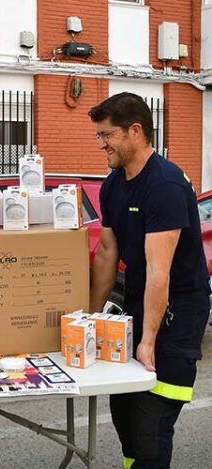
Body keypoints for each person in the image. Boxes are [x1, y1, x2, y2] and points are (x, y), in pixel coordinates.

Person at [88, 92, 210, 469]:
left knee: (151, 420)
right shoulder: (112, 185)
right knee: (123, 406)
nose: (101, 144)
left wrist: (148, 342)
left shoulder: (166, 185)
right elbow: (108, 251)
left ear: (135, 131)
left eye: (106, 135)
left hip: (179, 306)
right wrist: (89, 319)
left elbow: (161, 272)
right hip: (142, 298)